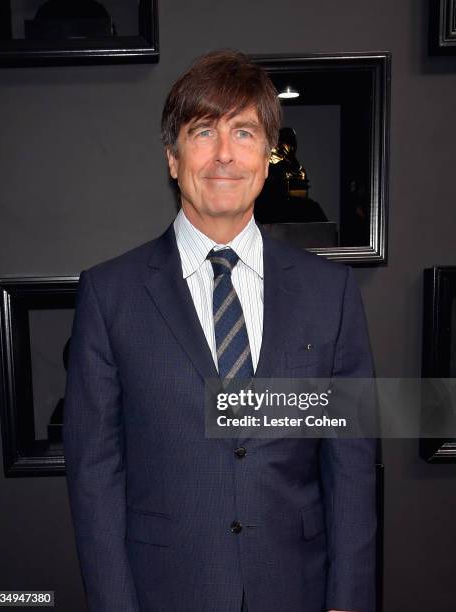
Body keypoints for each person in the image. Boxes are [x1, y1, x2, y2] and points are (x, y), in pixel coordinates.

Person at [63, 49, 377, 612]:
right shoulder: (110, 295)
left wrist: (348, 599)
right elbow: (94, 476)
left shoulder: (331, 295)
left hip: (297, 591)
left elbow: (351, 466)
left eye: (244, 132)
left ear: (267, 156)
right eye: (203, 131)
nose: (225, 154)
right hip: (166, 591)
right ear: (173, 158)